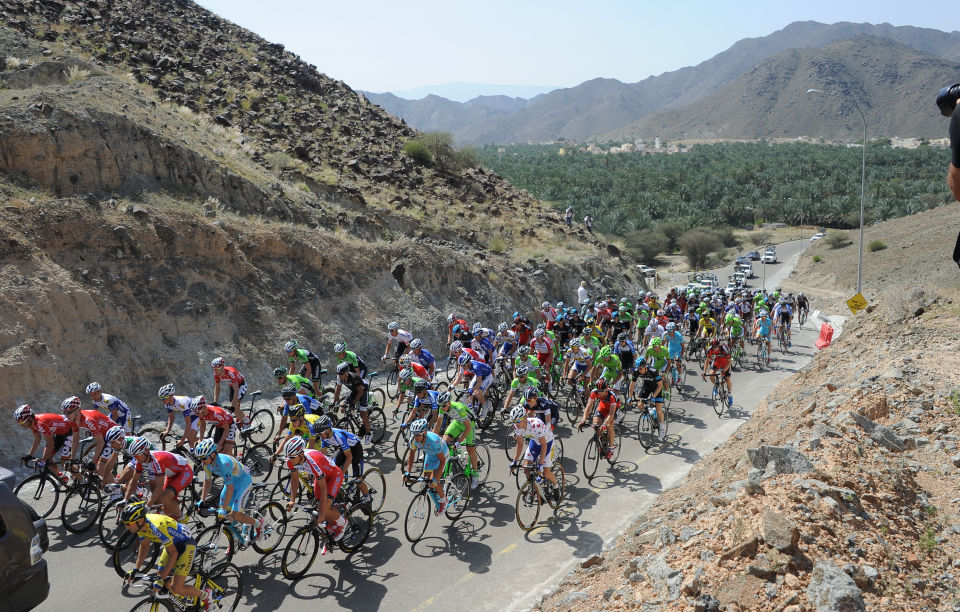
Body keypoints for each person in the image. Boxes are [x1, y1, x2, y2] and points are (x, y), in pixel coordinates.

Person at [119, 501, 210, 607]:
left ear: (141, 520)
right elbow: (144, 546)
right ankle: (179, 603)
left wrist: (160, 579)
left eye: (128, 524)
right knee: (162, 577)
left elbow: (174, 553)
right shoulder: (140, 526)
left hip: (186, 545)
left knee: (176, 588)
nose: (126, 527)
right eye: (124, 524)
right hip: (172, 544)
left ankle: (206, 595)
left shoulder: (156, 527)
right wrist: (136, 569)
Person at [194, 439, 261, 543]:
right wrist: (202, 500)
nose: (201, 461)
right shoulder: (206, 464)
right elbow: (207, 482)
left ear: (213, 454)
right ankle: (235, 538)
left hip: (243, 482)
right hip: (230, 483)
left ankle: (257, 523)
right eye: (200, 458)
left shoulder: (223, 463)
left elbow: (230, 488)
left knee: (235, 514)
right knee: (224, 515)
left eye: (203, 458)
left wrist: (224, 508)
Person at [281, 437, 347, 541]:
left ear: (301, 454)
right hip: (321, 476)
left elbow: (324, 488)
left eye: (292, 457)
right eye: (288, 457)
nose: (290, 460)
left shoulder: (312, 462)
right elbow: (294, 480)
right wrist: (292, 500)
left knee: (324, 509)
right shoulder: (291, 461)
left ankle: (342, 523)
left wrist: (322, 512)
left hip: (334, 475)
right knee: (318, 503)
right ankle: (329, 526)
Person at [127, 437, 193, 520]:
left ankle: (181, 518)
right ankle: (170, 519)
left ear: (147, 451)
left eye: (138, 455)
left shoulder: (157, 461)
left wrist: (148, 506)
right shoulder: (141, 460)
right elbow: (134, 480)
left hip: (184, 471)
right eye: (134, 456)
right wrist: (125, 500)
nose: (136, 458)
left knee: (165, 497)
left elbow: (159, 486)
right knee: (161, 503)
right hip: (172, 473)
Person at [508, 405, 560, 500]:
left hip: (547, 442)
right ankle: (533, 488)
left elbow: (543, 445)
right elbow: (520, 444)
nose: (516, 424)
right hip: (535, 442)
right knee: (526, 467)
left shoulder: (536, 424)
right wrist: (514, 462)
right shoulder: (516, 426)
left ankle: (556, 486)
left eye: (518, 421)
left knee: (545, 473)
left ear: (525, 418)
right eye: (514, 421)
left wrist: (540, 464)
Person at [15, 404, 78, 479]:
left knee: (65, 463)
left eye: (22, 422)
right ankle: (62, 478)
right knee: (48, 459)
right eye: (20, 424)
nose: (22, 425)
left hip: (69, 431)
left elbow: (51, 443)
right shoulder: (32, 424)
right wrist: (29, 455)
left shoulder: (41, 423)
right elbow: (37, 439)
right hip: (58, 433)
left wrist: (42, 461)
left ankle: (83, 480)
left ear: (30, 419)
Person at [434, 391, 481, 489]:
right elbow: (438, 423)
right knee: (445, 441)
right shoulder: (442, 407)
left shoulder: (459, 408)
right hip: (457, 423)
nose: (442, 408)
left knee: (470, 450)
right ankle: (457, 458)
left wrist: (458, 442)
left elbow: (467, 428)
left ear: (449, 403)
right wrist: (433, 438)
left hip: (469, 425)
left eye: (443, 406)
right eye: (440, 406)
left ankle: (475, 474)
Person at [403, 419, 449, 516]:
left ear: (424, 432)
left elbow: (442, 461)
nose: (416, 437)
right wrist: (408, 472)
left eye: (418, 435)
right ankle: (437, 491)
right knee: (426, 480)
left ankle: (444, 500)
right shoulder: (413, 440)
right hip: (430, 454)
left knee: (434, 481)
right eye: (414, 434)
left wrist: (436, 479)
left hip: (441, 455)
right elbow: (411, 456)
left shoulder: (433, 441)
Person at [577, 378, 620, 458]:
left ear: (606, 390)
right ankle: (603, 440)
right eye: (598, 390)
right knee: (595, 424)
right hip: (602, 407)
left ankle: (611, 448)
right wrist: (583, 420)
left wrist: (605, 424)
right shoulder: (594, 392)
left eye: (602, 391)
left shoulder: (612, 396)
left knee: (609, 425)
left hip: (613, 408)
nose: (599, 393)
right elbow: (588, 407)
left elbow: (611, 414)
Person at [335, 361, 374, 445]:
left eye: (341, 373)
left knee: (362, 413)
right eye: (338, 373)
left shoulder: (354, 377)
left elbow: (360, 392)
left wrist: (353, 403)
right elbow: (338, 389)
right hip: (354, 391)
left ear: (346, 372)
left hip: (363, 391)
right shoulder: (339, 377)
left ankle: (368, 433)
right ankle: (356, 419)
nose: (339, 375)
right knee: (342, 407)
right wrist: (334, 401)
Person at [157, 384, 200, 450]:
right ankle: (196, 456)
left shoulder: (182, 403)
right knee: (190, 439)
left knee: (190, 436)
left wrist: (183, 439)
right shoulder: (167, 403)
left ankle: (209, 442)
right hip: (191, 415)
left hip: (198, 414)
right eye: (161, 398)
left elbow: (188, 424)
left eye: (164, 398)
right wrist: (167, 430)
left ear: (171, 396)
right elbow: (171, 417)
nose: (162, 400)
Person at [211, 357, 247, 424]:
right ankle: (240, 418)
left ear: (222, 367)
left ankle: (246, 421)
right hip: (232, 386)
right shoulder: (216, 374)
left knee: (234, 405)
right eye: (214, 369)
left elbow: (236, 390)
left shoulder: (231, 373)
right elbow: (217, 387)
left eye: (217, 369)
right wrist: (215, 401)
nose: (216, 371)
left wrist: (233, 402)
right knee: (234, 408)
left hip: (241, 385)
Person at [703, 338, 733, 407]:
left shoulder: (725, 349)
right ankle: (716, 386)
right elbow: (707, 361)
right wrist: (704, 372)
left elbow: (729, 362)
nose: (714, 349)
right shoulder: (710, 349)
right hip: (717, 363)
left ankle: (729, 395)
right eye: (713, 347)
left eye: (716, 347)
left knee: (727, 379)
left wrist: (724, 370)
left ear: (719, 345)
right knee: (711, 374)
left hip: (726, 364)